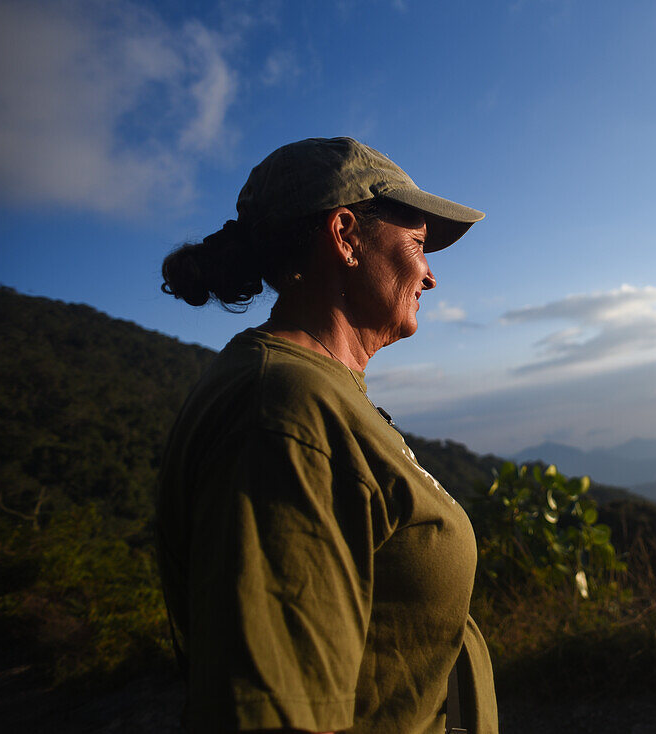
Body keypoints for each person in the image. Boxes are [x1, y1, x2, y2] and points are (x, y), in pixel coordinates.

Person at [156, 137, 497, 734]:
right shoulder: (283, 413)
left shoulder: (318, 395)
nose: (430, 275)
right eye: (416, 243)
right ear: (345, 236)